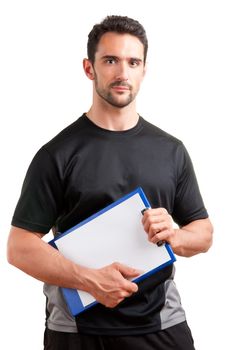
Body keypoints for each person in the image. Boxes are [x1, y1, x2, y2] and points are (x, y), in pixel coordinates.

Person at [7, 15, 213, 350]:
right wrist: (89, 279)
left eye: (133, 62)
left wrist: (173, 235)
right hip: (77, 332)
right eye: (111, 60)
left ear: (144, 71)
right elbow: (19, 247)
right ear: (90, 68)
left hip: (160, 326)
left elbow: (203, 232)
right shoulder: (57, 154)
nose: (122, 73)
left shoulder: (171, 151)